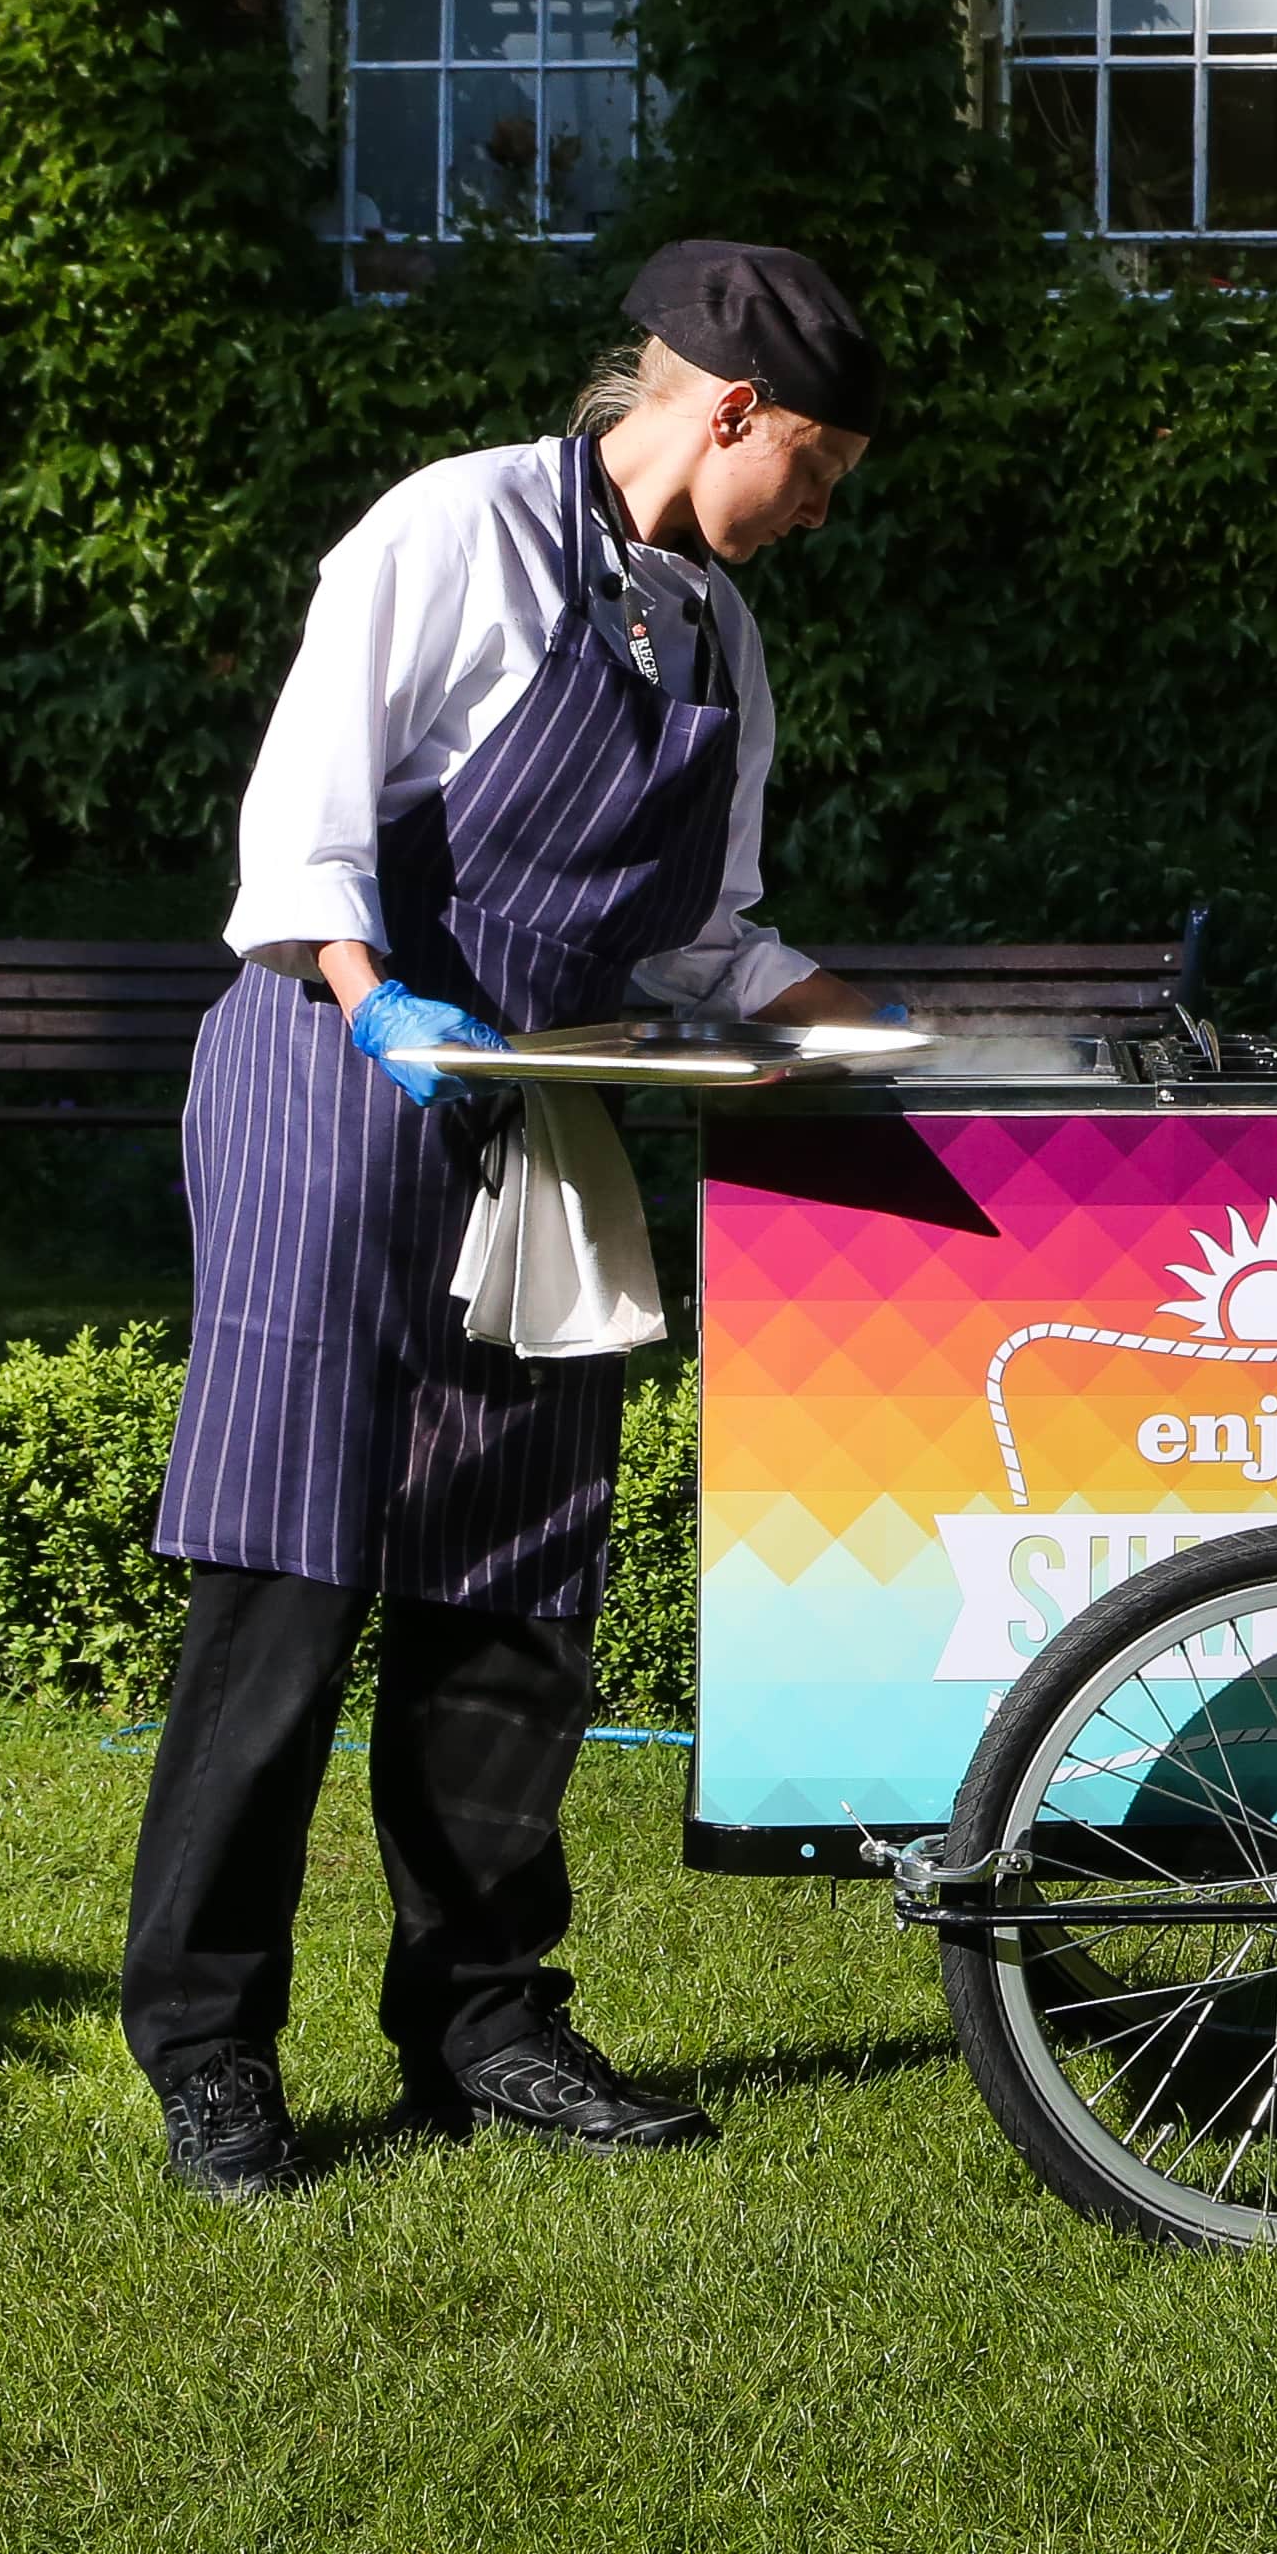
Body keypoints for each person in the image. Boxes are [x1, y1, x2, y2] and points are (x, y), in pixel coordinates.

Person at [122, 237, 898, 2202]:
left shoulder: (718, 634)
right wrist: (381, 1004)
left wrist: (883, 1033)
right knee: (290, 1570)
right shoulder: (451, 533)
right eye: (811, 467)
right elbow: (299, 829)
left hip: (535, 1114)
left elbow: (710, 933)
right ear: (727, 410)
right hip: (335, 1077)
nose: (814, 510)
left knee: (516, 1587)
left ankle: (481, 2015)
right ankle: (208, 2043)